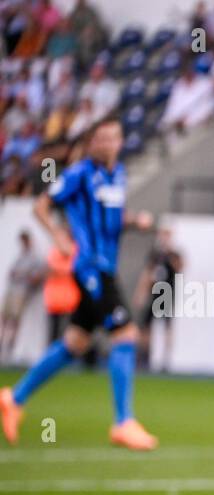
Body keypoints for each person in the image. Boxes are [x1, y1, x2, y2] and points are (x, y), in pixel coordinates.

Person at [0, 117, 157, 449]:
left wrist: (134, 221)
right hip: (89, 266)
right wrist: (58, 236)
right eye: (100, 138)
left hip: (107, 266)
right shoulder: (79, 173)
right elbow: (41, 205)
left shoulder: (119, 174)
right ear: (91, 142)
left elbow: (111, 216)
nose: (106, 144)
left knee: (74, 342)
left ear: (120, 140)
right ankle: (123, 421)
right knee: (126, 334)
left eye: (112, 137)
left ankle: (14, 398)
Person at [133, 226, 183, 371]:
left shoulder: (174, 254)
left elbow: (180, 267)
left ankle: (166, 360)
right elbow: (147, 274)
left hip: (167, 295)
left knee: (167, 326)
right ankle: (144, 356)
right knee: (146, 325)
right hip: (155, 294)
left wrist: (170, 256)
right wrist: (140, 293)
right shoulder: (155, 255)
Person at [1, 230, 45, 362]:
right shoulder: (19, 256)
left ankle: (9, 350)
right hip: (11, 291)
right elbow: (11, 273)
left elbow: (37, 277)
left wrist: (23, 275)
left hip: (21, 294)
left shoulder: (35, 258)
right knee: (4, 320)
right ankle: (2, 348)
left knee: (14, 322)